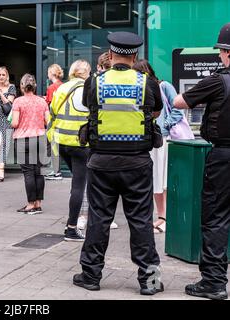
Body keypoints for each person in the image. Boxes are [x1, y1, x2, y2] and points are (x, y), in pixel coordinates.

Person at [74, 32, 164, 295]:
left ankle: (90, 276)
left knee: (98, 220)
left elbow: (88, 106)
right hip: (137, 162)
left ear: (111, 54)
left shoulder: (94, 82)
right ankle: (150, 282)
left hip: (101, 161)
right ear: (134, 56)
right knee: (141, 221)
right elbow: (156, 109)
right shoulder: (148, 83)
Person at [173, 22, 230, 300]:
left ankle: (215, 282)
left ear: (227, 52)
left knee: (216, 217)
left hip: (223, 157)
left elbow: (179, 101)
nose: (219, 55)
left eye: (220, 51)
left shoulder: (218, 80)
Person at [133, 59, 185, 234]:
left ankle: (166, 217)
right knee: (156, 179)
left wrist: (166, 125)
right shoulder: (141, 89)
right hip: (150, 140)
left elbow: (178, 108)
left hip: (165, 138)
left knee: (164, 179)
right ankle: (161, 216)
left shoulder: (164, 86)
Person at [47, 60, 91, 241]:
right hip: (81, 144)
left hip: (62, 142)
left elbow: (52, 112)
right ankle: (71, 227)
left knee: (79, 183)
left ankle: (77, 222)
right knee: (79, 186)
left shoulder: (62, 89)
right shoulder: (88, 89)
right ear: (87, 72)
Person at [76, 53, 118, 231]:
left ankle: (88, 216)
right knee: (107, 182)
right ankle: (95, 216)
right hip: (112, 137)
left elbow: (87, 104)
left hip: (99, 138)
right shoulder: (101, 82)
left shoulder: (94, 82)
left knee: (96, 181)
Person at [11, 74, 49, 214]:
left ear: (22, 86)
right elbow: (47, 121)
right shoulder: (42, 102)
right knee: (39, 172)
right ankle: (38, 203)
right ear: (35, 86)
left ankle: (30, 204)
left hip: (23, 139)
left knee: (28, 173)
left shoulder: (18, 102)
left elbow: (14, 123)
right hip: (40, 138)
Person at [44, 63, 64, 181]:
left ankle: (56, 172)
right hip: (62, 119)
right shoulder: (63, 86)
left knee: (53, 146)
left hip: (53, 120)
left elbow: (51, 105)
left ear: (52, 73)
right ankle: (56, 170)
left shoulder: (51, 88)